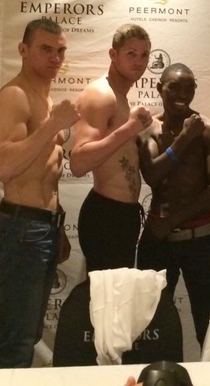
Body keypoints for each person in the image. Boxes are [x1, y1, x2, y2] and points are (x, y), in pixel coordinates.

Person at [0, 17, 80, 368]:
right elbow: (4, 166)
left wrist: (57, 225)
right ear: (23, 50)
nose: (55, 58)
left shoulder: (46, 97)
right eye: (45, 49)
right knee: (17, 340)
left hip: (43, 227)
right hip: (22, 229)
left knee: (29, 335)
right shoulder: (14, 96)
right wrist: (55, 125)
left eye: (60, 51)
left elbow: (46, 171)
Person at [136, 63, 210, 347]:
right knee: (152, 323)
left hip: (200, 240)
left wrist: (171, 221)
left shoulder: (209, 129)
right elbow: (152, 175)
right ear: (159, 88)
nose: (182, 94)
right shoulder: (148, 130)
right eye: (174, 87)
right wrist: (185, 138)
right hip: (157, 242)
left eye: (189, 88)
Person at [70, 24, 154, 271]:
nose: (139, 61)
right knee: (106, 294)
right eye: (131, 53)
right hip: (105, 215)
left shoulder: (120, 97)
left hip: (122, 216)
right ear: (113, 54)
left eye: (144, 55)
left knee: (117, 293)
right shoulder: (100, 95)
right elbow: (78, 163)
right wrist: (130, 129)